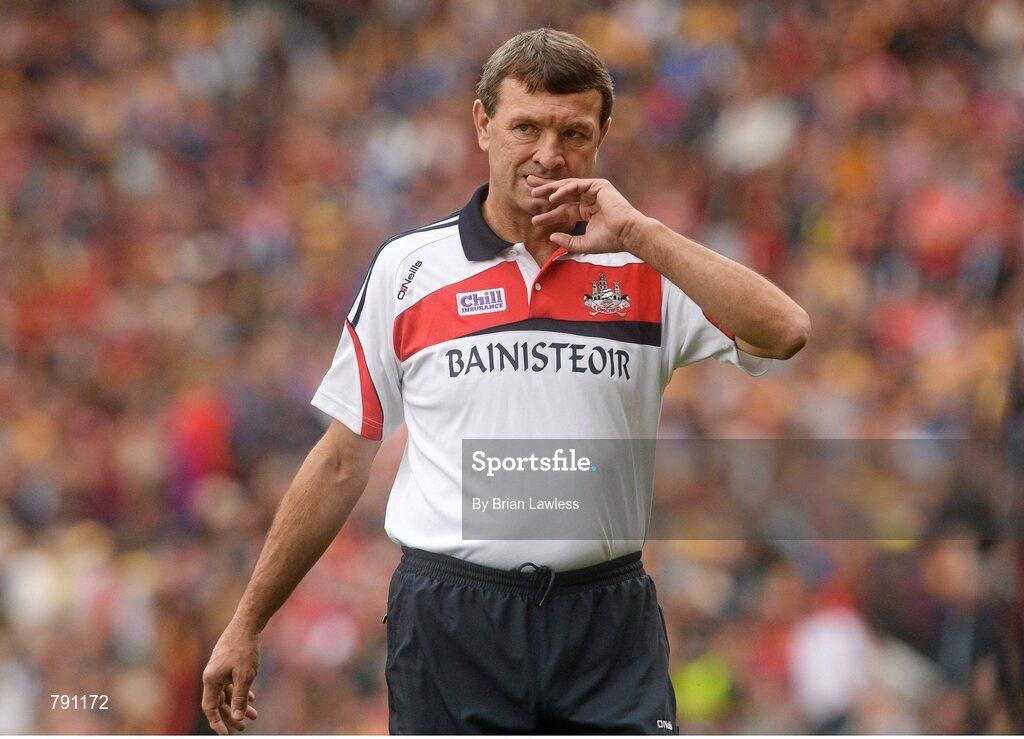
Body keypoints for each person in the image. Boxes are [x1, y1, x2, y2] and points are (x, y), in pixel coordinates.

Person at [201, 27, 809, 735]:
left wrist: (643, 235)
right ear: (483, 123)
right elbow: (341, 459)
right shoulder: (409, 269)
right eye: (526, 126)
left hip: (604, 621)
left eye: (573, 132)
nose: (549, 154)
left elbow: (786, 330)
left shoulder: (646, 266)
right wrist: (246, 621)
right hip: (454, 616)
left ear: (603, 134)